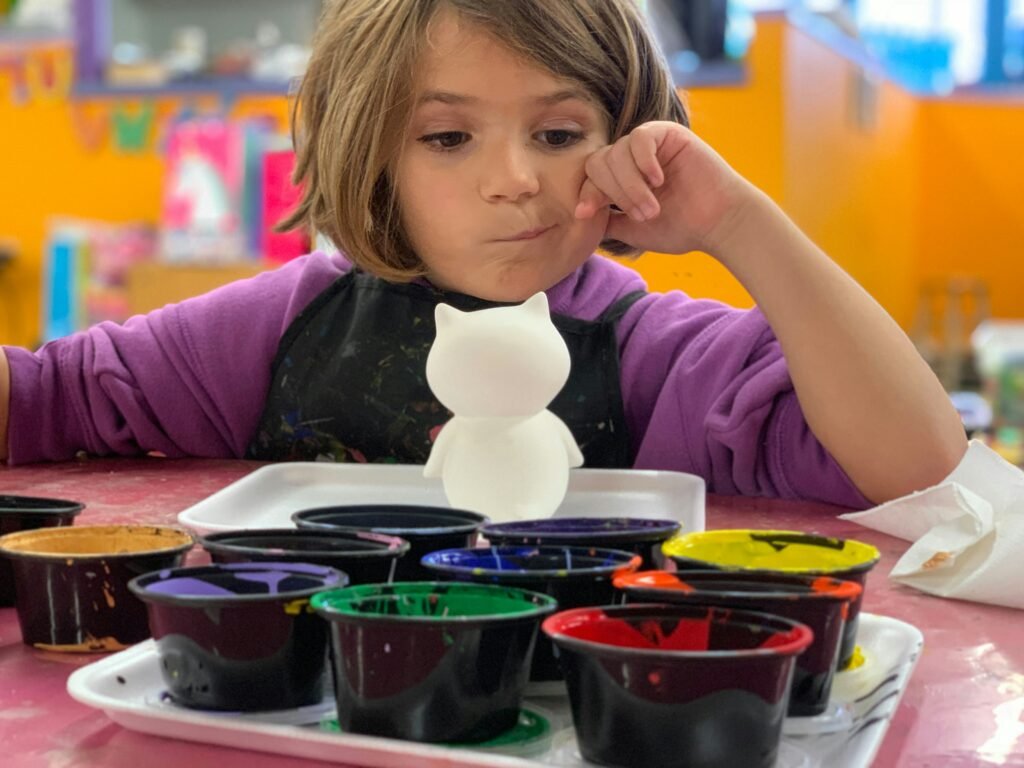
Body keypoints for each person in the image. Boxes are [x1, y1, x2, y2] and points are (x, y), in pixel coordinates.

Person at [0, 0, 966, 507]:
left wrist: (739, 224)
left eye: (558, 134)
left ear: (625, 136)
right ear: (373, 149)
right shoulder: (272, 330)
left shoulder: (663, 357)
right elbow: (45, 399)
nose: (515, 180)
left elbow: (919, 471)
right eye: (447, 138)